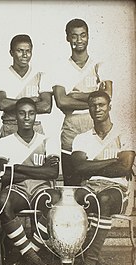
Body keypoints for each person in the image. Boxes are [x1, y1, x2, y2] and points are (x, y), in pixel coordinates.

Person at [72, 90, 135, 265]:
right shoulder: (81, 138)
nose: (97, 108)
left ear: (109, 107)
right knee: (70, 200)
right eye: (93, 105)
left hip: (116, 189)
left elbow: (124, 167)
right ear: (88, 109)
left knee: (104, 200)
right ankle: (96, 262)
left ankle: (89, 262)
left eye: (101, 104)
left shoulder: (125, 133)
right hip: (89, 185)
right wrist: (111, 160)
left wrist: (93, 165)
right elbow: (79, 167)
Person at [0, 97, 59, 265]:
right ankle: (34, 259)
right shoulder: (3, 142)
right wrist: (39, 170)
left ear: (36, 116)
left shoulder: (47, 140)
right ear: (15, 116)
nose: (26, 117)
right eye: (22, 113)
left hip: (41, 189)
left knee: (53, 199)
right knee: (3, 200)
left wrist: (17, 167)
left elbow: (52, 173)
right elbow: (5, 176)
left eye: (31, 113)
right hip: (18, 190)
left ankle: (26, 259)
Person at [53, 18, 112, 186]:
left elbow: (107, 96)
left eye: (83, 35)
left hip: (96, 127)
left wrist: (77, 95)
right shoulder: (60, 67)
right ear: (67, 38)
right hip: (72, 128)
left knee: (97, 181)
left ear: (88, 36)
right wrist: (94, 98)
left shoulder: (99, 65)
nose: (79, 40)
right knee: (72, 185)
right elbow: (61, 101)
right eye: (74, 36)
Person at [0, 34, 52, 138]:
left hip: (35, 127)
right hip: (10, 126)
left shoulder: (40, 75)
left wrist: (13, 104)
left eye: (28, 51)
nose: (25, 55)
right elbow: (2, 104)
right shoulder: (2, 75)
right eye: (20, 51)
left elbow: (46, 106)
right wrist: (32, 101)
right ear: (11, 52)